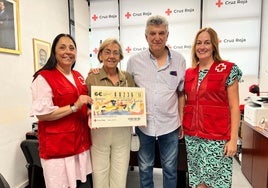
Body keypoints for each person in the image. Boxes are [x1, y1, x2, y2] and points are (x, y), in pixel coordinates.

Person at [126, 15, 186, 188]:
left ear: (167, 35)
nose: (157, 37)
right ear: (146, 36)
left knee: (170, 169)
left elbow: (181, 93)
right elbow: (127, 92)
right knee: (145, 168)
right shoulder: (134, 62)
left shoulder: (179, 60)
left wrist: (181, 120)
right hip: (144, 125)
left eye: (161, 33)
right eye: (152, 33)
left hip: (170, 124)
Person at [30, 33, 93, 188]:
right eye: (62, 47)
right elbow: (43, 115)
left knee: (81, 184)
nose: (68, 51)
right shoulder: (43, 78)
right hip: (58, 149)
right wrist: (74, 106)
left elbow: (84, 103)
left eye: (72, 48)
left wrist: (89, 112)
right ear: (54, 52)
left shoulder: (78, 76)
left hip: (80, 145)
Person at [182, 27, 243, 188]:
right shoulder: (189, 73)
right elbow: (185, 101)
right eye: (199, 43)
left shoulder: (227, 69)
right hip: (193, 138)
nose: (202, 47)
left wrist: (233, 139)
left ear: (214, 45)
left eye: (207, 42)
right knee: (198, 182)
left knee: (216, 183)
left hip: (217, 137)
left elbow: (234, 107)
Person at [85, 38, 136, 188]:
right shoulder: (92, 77)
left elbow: (134, 101)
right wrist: (89, 112)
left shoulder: (127, 78)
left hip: (122, 132)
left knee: (120, 174)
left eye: (116, 53)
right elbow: (86, 104)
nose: (111, 56)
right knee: (99, 173)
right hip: (100, 132)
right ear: (100, 55)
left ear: (120, 57)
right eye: (107, 52)